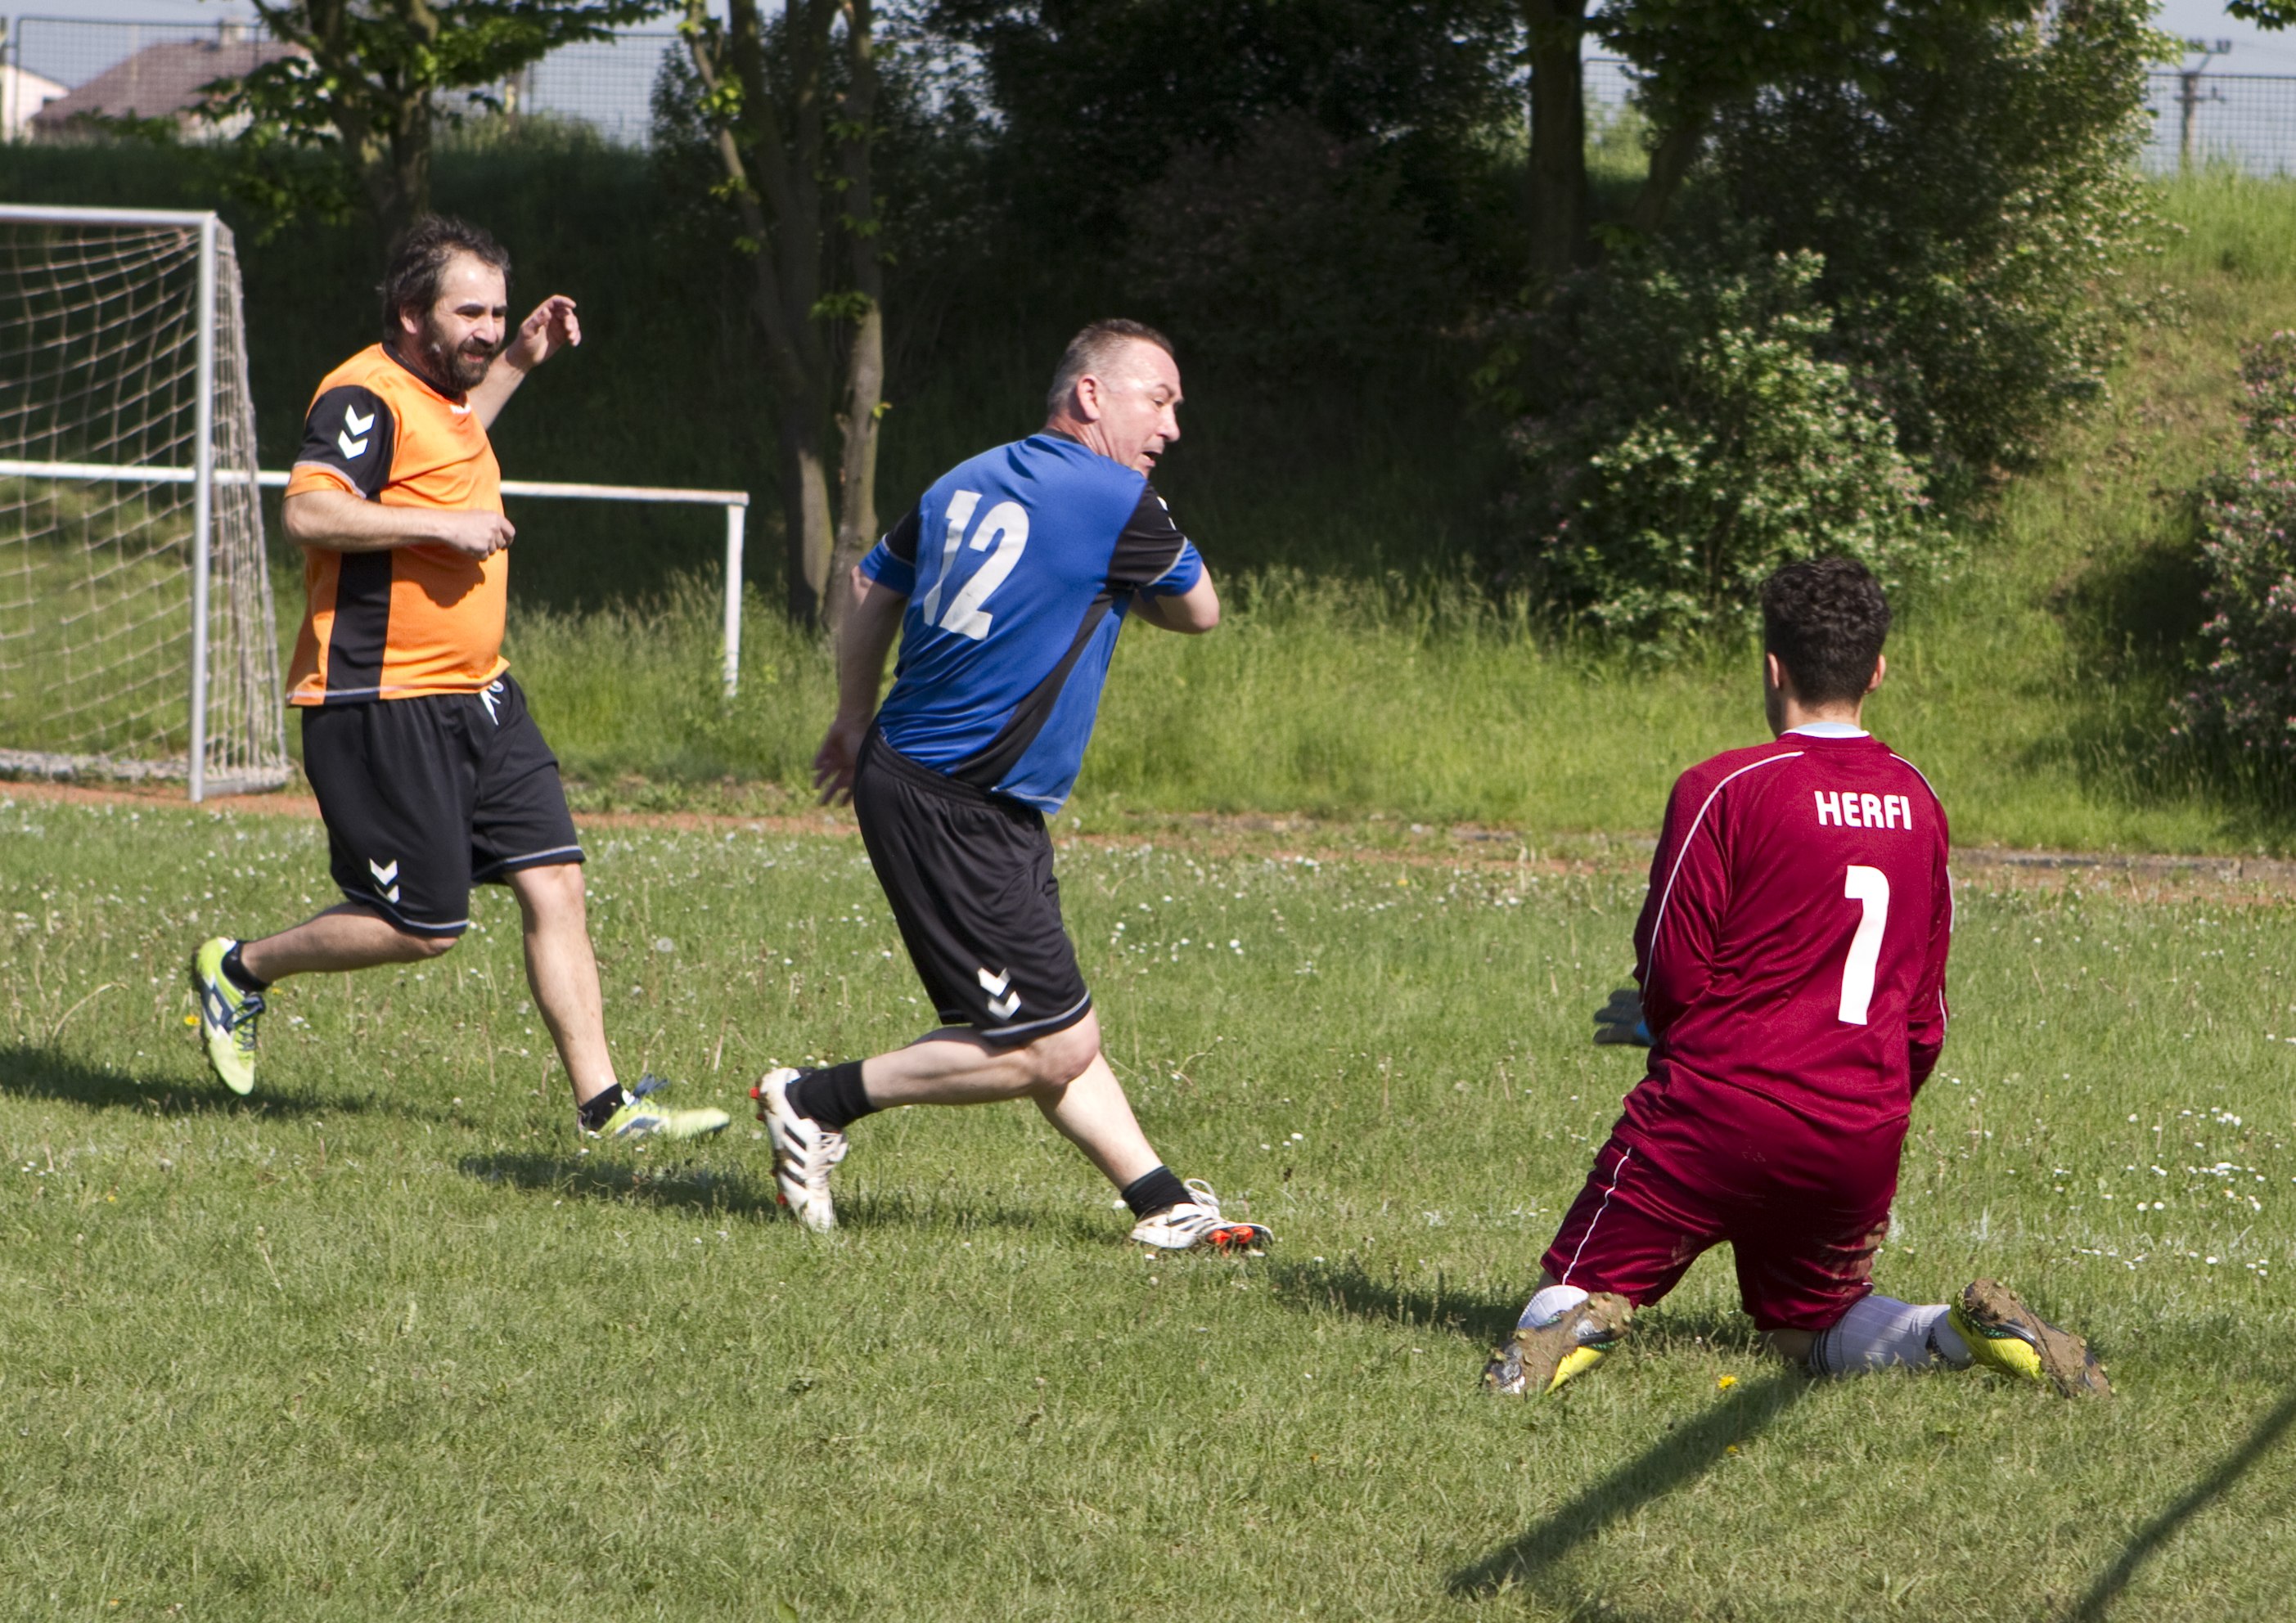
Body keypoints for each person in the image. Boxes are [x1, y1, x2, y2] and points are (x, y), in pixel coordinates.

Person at [1487, 559, 2108, 1399]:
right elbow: (1923, 1012)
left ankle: (1554, 1348)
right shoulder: (1918, 800)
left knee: (1585, 1273)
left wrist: (1663, 1029)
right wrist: (1866, 1101)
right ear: (1877, 671)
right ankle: (1960, 1332)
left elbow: (1671, 969)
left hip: (1714, 1111)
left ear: (1771, 666)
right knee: (1806, 1324)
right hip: (1856, 1129)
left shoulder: (1724, 786)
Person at [188, 216, 726, 1144]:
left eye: (497, 312)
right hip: (380, 696)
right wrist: (442, 529)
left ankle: (606, 1109)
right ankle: (239, 969)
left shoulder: (443, 395)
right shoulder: (364, 390)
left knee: (555, 881)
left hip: (482, 692)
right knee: (423, 926)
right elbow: (311, 512)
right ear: (410, 313)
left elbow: (454, 441)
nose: (485, 327)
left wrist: (517, 358)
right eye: (469, 313)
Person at [759, 319, 1269, 1251]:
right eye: (1158, 400)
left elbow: (875, 590)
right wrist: (1116, 585)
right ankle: (812, 1100)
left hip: (941, 786)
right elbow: (1200, 611)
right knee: (1049, 1043)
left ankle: (1160, 1203)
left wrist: (848, 714)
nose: (1172, 427)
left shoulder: (962, 476)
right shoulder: (1119, 499)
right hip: (958, 801)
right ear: (1089, 397)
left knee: (1048, 1017)